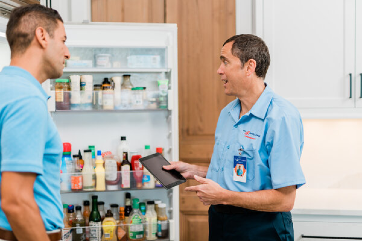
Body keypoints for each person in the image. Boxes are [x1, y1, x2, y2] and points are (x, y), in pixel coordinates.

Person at [164, 34, 306, 241]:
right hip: (221, 222)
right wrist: (193, 170)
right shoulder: (228, 113)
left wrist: (223, 196)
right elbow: (243, 173)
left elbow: (285, 200)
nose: (219, 70)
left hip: (262, 228)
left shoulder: (281, 117)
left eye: (225, 62)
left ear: (249, 67)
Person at [0, 5, 70, 241]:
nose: (67, 52)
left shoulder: (5, 88)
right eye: (63, 40)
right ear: (42, 36)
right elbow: (16, 201)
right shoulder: (26, 99)